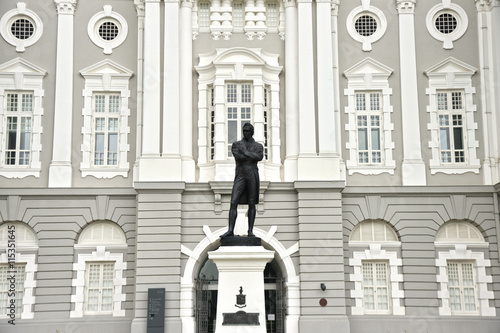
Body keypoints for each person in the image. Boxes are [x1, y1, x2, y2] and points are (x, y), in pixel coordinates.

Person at [221, 123, 263, 238]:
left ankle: (250, 231)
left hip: (252, 174)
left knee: (252, 203)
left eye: (248, 131)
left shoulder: (258, 146)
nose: (245, 133)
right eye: (244, 131)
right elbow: (238, 157)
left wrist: (245, 153)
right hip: (240, 174)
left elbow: (259, 157)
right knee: (233, 201)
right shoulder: (236, 144)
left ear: (252, 132)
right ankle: (230, 230)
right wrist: (250, 156)